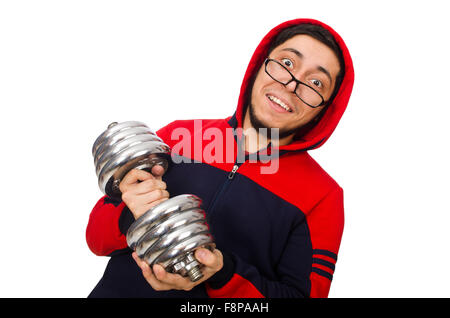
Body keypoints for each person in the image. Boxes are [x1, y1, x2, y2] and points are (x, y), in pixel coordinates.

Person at [86, 18, 354, 298]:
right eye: (287, 63)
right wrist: (130, 212)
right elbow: (95, 239)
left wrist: (222, 274)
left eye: (315, 82)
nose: (291, 84)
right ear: (260, 64)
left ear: (327, 108)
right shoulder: (179, 136)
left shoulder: (323, 196)